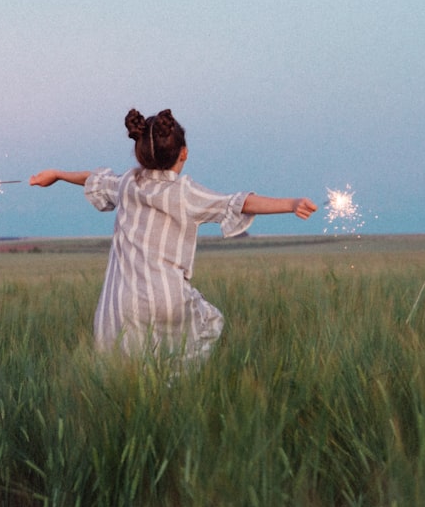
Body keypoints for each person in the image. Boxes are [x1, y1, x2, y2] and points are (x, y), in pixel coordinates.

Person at [29, 108, 317, 364]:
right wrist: (291, 205)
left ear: (140, 152)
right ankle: (170, 400)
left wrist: (57, 173)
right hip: (167, 299)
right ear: (184, 153)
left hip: (119, 303)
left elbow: (93, 178)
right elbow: (238, 202)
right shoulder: (185, 193)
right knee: (201, 331)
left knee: (123, 370)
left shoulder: (127, 183)